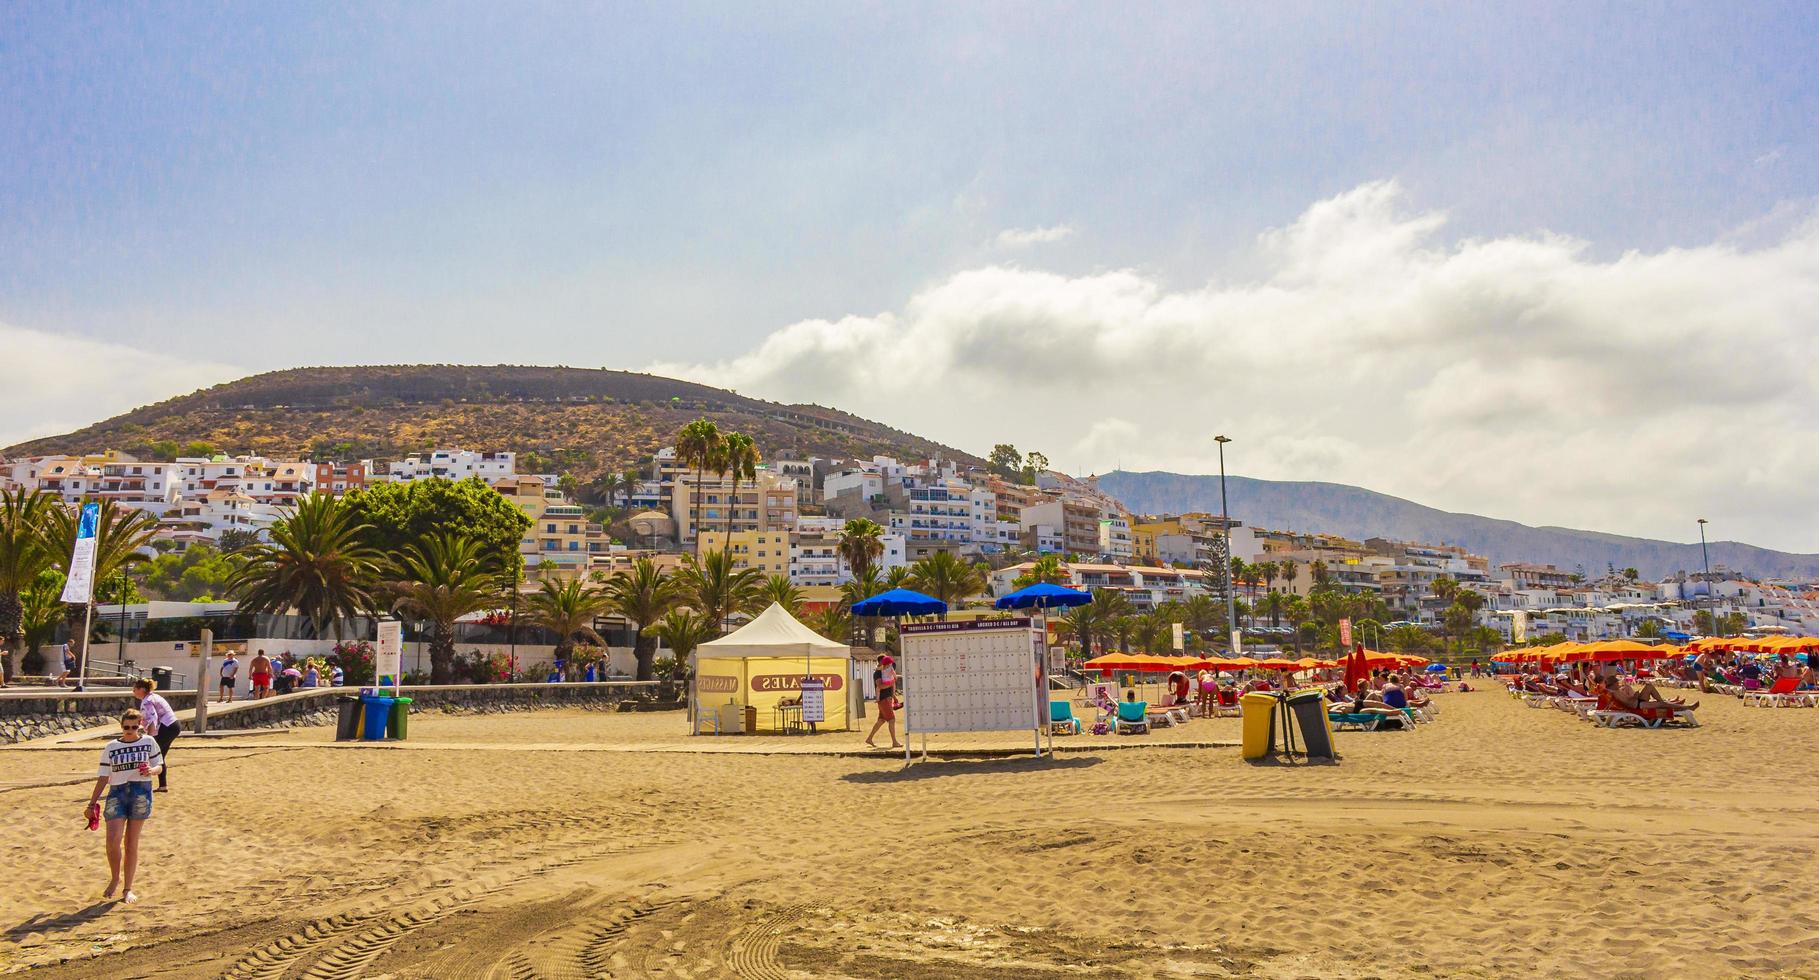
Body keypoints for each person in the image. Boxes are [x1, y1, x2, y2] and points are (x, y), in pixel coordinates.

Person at [87, 708, 162, 903]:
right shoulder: (111, 747)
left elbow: (159, 765)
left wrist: (151, 771)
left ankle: (127, 888)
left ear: (140, 726)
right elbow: (103, 776)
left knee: (131, 843)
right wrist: (92, 802)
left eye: (134, 727)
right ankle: (115, 877)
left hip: (141, 792)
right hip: (117, 793)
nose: (130, 730)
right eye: (126, 727)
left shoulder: (148, 742)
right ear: (121, 726)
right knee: (112, 840)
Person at [133, 679, 180, 792]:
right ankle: (162, 785)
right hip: (173, 726)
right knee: (160, 756)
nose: (133, 691)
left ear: (142, 690)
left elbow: (153, 719)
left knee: (150, 755)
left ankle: (140, 784)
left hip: (167, 727)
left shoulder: (147, 700)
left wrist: (150, 738)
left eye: (135, 689)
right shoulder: (153, 696)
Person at [865, 655, 900, 749]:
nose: (888, 665)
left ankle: (869, 738)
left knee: (881, 720)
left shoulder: (886, 670)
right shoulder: (877, 673)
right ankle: (894, 742)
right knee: (891, 720)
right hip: (883, 699)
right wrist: (891, 683)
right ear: (880, 662)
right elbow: (880, 686)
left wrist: (894, 696)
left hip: (887, 698)